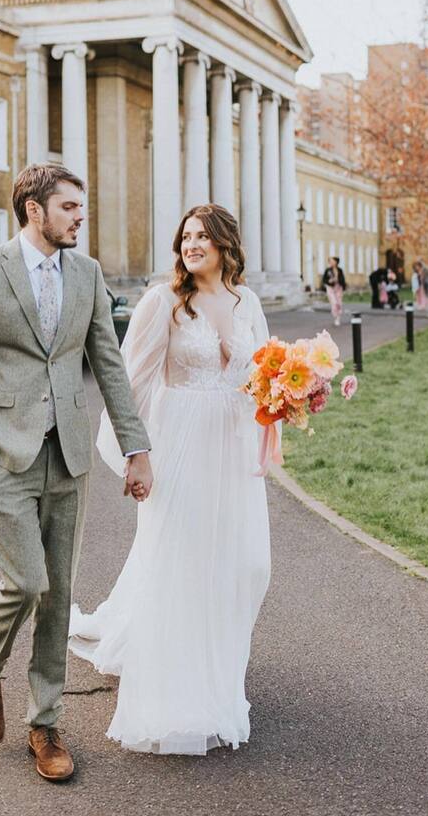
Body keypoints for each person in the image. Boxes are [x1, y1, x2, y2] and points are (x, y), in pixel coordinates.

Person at [0, 164, 153, 783]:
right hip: (3, 455)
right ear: (34, 210)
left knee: (58, 592)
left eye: (80, 207)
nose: (79, 217)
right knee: (27, 579)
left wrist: (136, 447)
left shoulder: (87, 275)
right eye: (68, 207)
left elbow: (108, 367)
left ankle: (46, 723)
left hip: (68, 457)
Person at [69, 204, 272, 755]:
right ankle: (178, 694)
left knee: (246, 564)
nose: (192, 244)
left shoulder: (246, 301)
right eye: (186, 236)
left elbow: (264, 374)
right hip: (181, 441)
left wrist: (291, 396)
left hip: (233, 449)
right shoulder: (164, 302)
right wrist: (137, 454)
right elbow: (130, 382)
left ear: (227, 243)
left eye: (203, 236)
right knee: (180, 562)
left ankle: (220, 669)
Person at [321, 255, 347, 326]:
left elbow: (343, 279)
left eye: (332, 261)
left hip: (338, 288)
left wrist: (338, 280)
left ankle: (338, 318)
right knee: (334, 302)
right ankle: (335, 316)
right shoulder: (328, 270)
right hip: (330, 288)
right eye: (330, 261)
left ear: (336, 262)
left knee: (339, 303)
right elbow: (324, 280)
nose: (331, 262)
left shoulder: (340, 270)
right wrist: (329, 281)